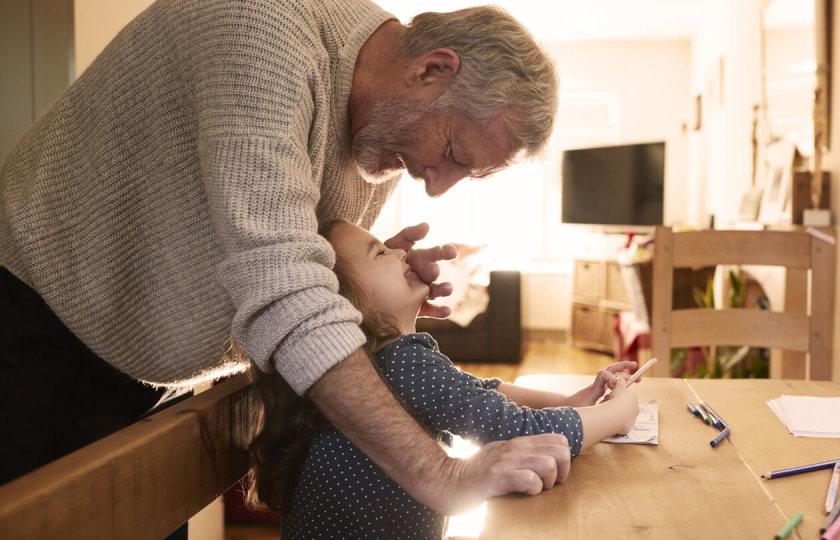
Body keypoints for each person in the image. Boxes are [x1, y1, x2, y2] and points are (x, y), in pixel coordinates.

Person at [0, 0, 565, 520]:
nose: (437, 186)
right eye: (452, 154)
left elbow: (289, 251)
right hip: (35, 324)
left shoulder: (380, 134)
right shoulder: (260, 30)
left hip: (149, 371)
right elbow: (283, 286)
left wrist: (373, 278)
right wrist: (439, 472)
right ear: (431, 70)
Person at [237, 220, 641, 539]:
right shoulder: (398, 360)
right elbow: (517, 431)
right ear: (344, 306)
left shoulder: (381, 361)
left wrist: (573, 400)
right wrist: (617, 415)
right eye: (380, 251)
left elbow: (478, 393)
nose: (401, 252)